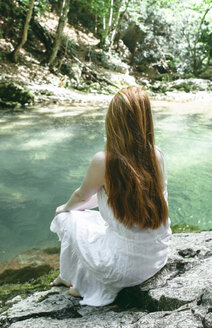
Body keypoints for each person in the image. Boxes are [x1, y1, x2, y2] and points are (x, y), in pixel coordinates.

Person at [50, 86, 171, 306]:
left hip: (123, 270)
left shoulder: (104, 161)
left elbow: (80, 196)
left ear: (113, 121)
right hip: (157, 258)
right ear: (145, 119)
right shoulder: (157, 155)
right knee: (91, 219)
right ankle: (74, 279)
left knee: (66, 218)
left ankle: (73, 280)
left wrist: (64, 208)